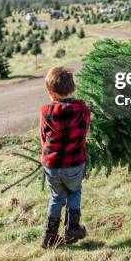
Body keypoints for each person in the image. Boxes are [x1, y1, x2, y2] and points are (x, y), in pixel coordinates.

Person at [40, 67, 90, 248]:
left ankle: (49, 236)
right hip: (74, 164)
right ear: (73, 88)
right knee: (75, 192)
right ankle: (72, 228)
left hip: (51, 165)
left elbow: (43, 137)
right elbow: (84, 133)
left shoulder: (45, 111)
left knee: (56, 197)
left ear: (51, 93)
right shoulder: (83, 110)